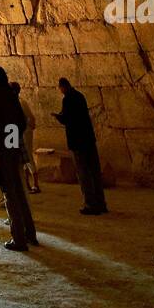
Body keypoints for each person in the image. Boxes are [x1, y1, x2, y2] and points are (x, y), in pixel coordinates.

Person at [0, 65, 38, 252]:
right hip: (13, 147)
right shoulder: (11, 95)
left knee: (9, 194)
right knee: (20, 192)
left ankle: (19, 239)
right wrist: (12, 141)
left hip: (3, 150)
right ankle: (30, 234)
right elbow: (21, 122)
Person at [54, 76, 107, 215]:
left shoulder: (67, 99)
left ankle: (90, 204)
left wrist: (58, 117)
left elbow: (67, 118)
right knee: (94, 171)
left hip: (77, 141)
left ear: (63, 87)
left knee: (83, 173)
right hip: (88, 139)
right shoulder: (79, 96)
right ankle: (101, 203)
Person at [12, 81, 40, 193]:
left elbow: (31, 118)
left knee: (28, 156)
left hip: (24, 132)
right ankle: (27, 184)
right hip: (18, 132)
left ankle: (36, 184)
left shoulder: (21, 102)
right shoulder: (15, 102)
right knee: (22, 158)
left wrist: (29, 129)